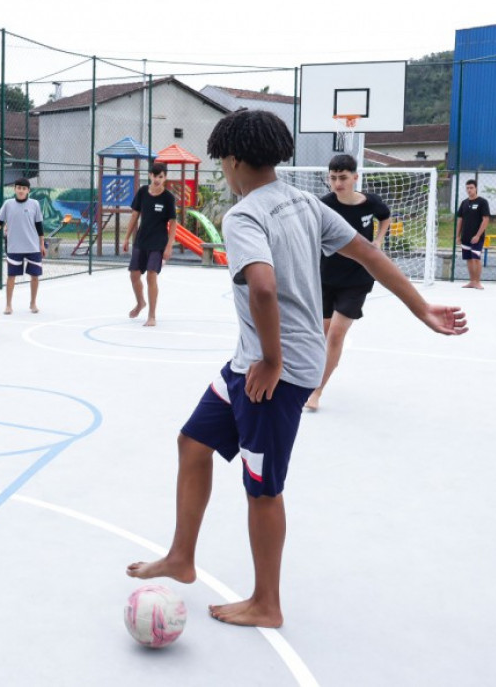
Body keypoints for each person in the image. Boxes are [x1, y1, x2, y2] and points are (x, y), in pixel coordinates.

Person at [125, 110, 468, 629]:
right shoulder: (306, 202)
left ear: (233, 161)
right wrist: (420, 308)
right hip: (249, 362)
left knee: (262, 486)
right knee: (192, 443)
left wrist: (272, 360)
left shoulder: (244, 216)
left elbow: (262, 287)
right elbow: (368, 253)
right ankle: (181, 556)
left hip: (276, 372)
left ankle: (267, 603)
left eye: (221, 162)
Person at [304, 154, 392, 412]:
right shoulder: (324, 205)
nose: (338, 183)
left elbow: (385, 216)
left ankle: (317, 391)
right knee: (323, 334)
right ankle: (316, 373)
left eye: (343, 178)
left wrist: (378, 240)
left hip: (357, 278)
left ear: (355, 177)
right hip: (326, 277)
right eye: (333, 178)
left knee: (336, 334)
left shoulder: (371, 202)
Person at [122, 162, 177, 327]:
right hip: (141, 241)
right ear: (150, 176)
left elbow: (173, 223)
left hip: (158, 243)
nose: (157, 179)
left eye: (161, 176)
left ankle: (152, 316)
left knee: (151, 275)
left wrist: (169, 246)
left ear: (165, 178)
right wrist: (126, 238)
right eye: (155, 176)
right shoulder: (142, 192)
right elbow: (134, 216)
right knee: (134, 275)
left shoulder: (168, 198)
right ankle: (140, 302)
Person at [0, 177, 47, 314]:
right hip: (14, 247)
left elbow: (39, 226)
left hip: (33, 246)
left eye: (24, 188)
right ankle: (8, 305)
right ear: (14, 189)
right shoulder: (8, 204)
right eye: (19, 188)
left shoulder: (34, 204)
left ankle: (33, 303)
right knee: (11, 276)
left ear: (28, 190)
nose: (21, 190)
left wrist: (41, 244)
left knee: (35, 276)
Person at [456, 179, 491, 289]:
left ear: (476, 188)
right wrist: (457, 236)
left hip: (477, 237)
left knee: (476, 258)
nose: (469, 190)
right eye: (467, 188)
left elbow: (486, 219)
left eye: (471, 188)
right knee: (469, 259)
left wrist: (478, 235)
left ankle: (477, 282)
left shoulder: (482, 202)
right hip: (465, 236)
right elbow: (460, 220)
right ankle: (472, 281)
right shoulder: (464, 203)